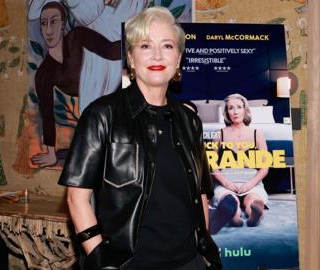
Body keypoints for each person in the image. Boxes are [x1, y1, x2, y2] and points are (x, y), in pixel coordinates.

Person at [58, 7, 221, 270]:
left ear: (178, 58)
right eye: (145, 45)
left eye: (167, 45)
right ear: (131, 59)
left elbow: (201, 193)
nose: (157, 54)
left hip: (190, 263)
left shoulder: (190, 121)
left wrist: (204, 253)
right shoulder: (101, 115)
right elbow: (76, 199)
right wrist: (101, 261)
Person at [31, 1, 122, 168]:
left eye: (54, 21)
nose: (49, 30)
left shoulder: (77, 37)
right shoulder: (44, 74)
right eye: (44, 23)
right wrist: (51, 153)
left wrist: (139, 44)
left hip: (112, 83)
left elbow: (111, 51)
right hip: (95, 107)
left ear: (63, 24)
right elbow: (48, 115)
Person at [209, 93, 269, 234]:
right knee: (230, 200)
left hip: (251, 183)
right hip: (227, 184)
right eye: (231, 108)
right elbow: (212, 164)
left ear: (245, 110)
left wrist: (251, 183)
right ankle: (234, 218)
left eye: (239, 107)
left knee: (251, 199)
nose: (235, 111)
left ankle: (254, 215)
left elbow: (265, 167)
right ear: (226, 112)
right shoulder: (219, 134)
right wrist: (225, 182)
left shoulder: (257, 134)